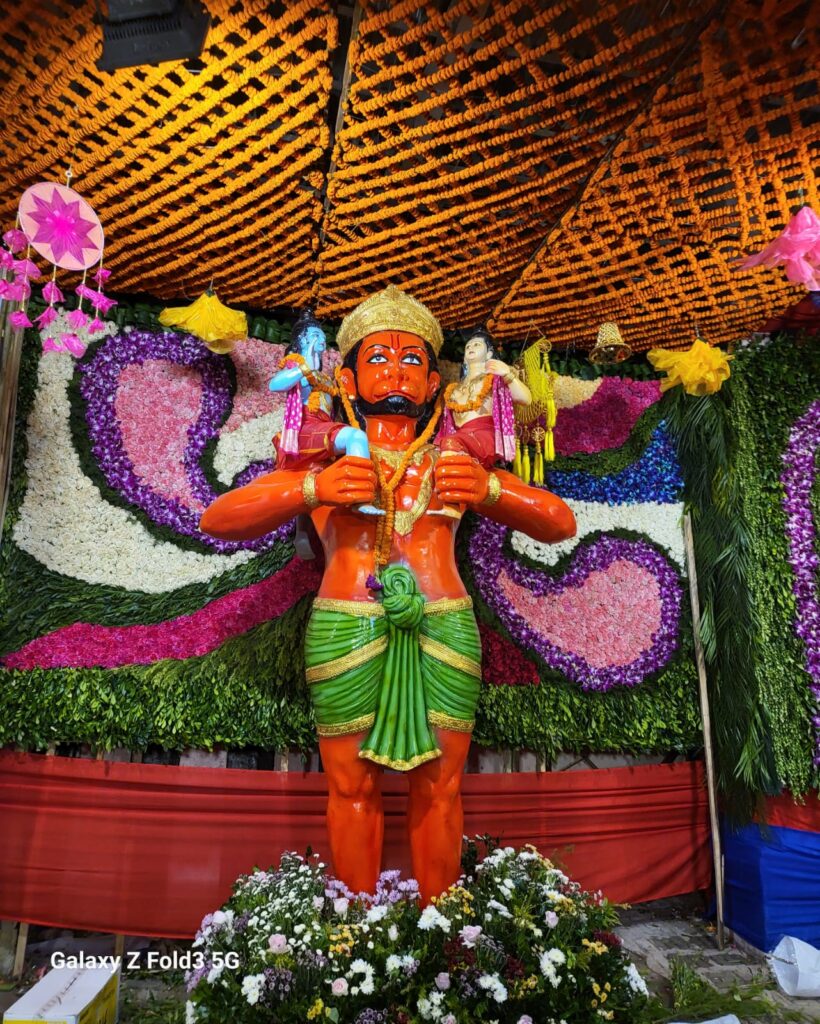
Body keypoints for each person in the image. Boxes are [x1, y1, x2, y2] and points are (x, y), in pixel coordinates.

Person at [200, 286, 575, 903]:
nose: (395, 370)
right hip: (347, 623)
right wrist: (313, 492)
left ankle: (442, 932)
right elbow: (219, 518)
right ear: (346, 379)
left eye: (410, 360)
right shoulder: (320, 458)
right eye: (378, 359)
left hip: (442, 624)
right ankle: (356, 930)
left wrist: (490, 492)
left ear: (433, 384)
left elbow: (559, 523)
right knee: (349, 785)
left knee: (442, 786)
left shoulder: (458, 459)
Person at [438, 326, 532, 469]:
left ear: (489, 354)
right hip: (457, 438)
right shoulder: (453, 389)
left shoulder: (495, 379)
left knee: (451, 442)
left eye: (477, 344)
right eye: (468, 346)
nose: (471, 347)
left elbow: (526, 399)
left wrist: (508, 375)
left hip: (483, 437)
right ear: (464, 358)